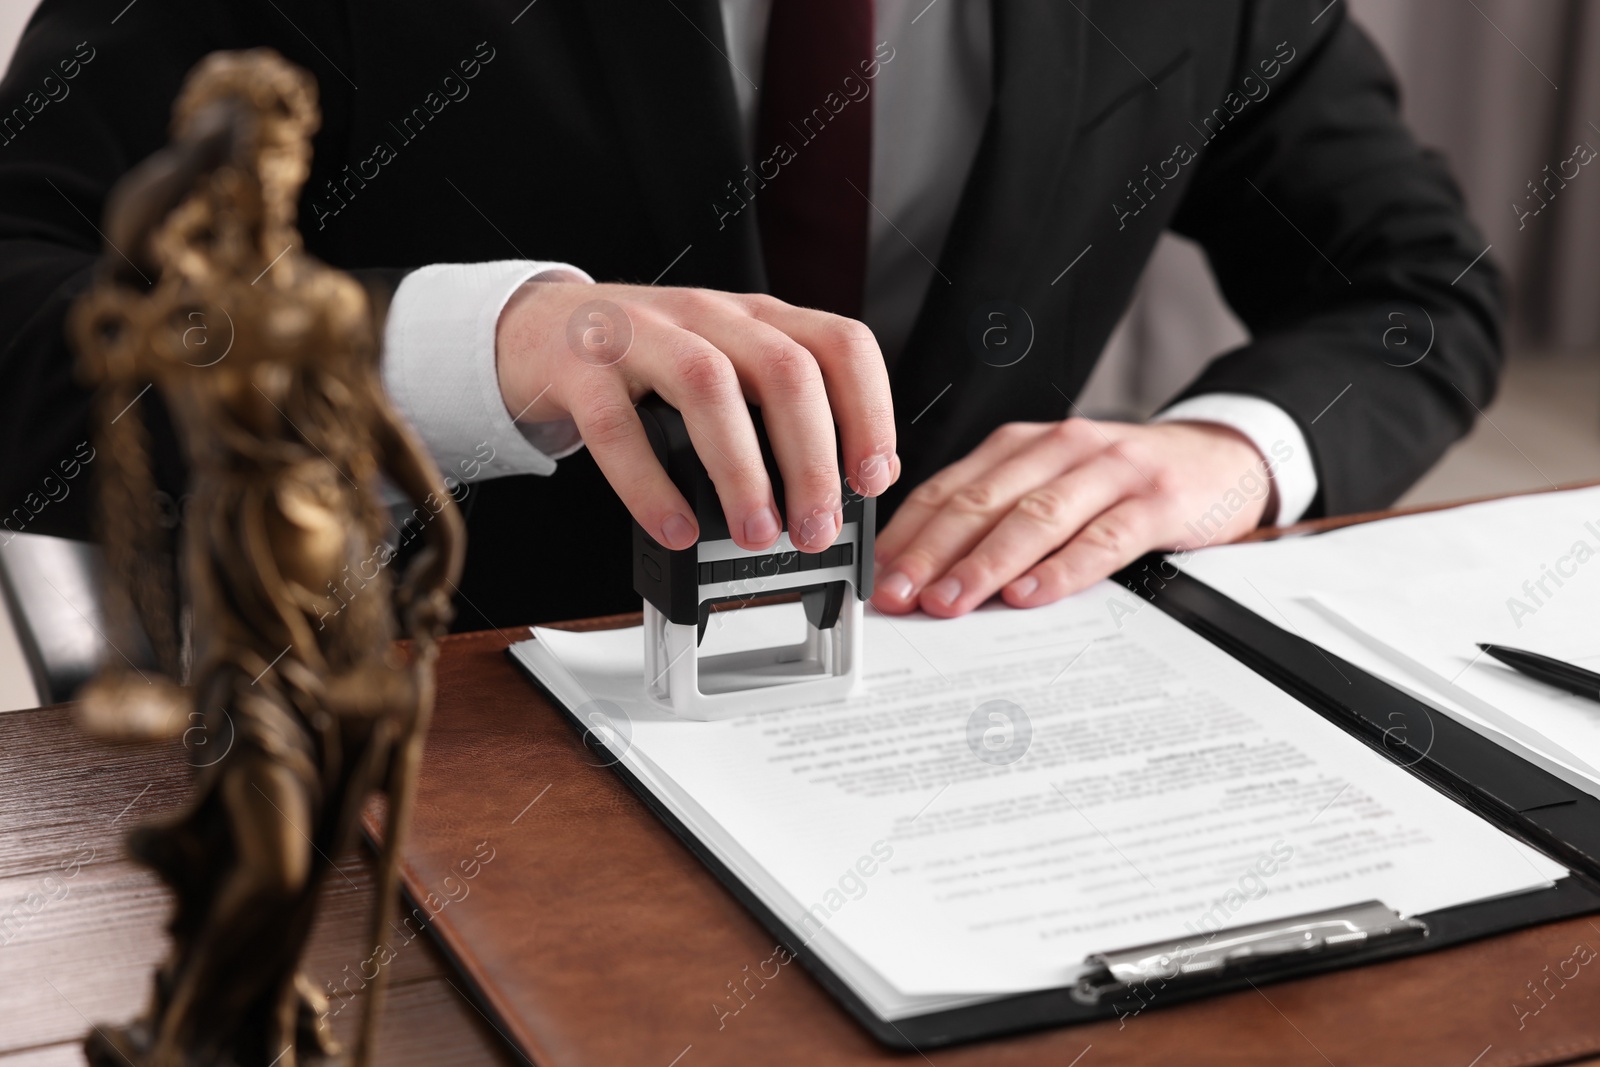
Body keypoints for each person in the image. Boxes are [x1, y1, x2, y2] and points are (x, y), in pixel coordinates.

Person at [0, 0, 1502, 630]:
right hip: (420, 722)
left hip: (956, 727)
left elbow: (1413, 285)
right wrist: (479, 353)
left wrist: (1227, 455)